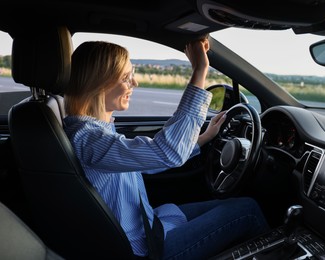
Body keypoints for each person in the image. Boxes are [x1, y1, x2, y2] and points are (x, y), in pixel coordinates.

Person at [63, 37, 269, 259]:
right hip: (145, 248)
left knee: (232, 205)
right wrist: (200, 69)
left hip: (150, 226)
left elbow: (147, 161)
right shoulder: (90, 138)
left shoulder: (93, 131)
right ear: (98, 82)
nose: (135, 84)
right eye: (126, 77)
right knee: (247, 211)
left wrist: (203, 138)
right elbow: (167, 151)